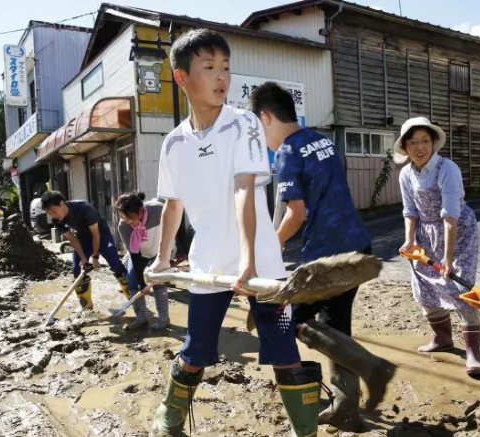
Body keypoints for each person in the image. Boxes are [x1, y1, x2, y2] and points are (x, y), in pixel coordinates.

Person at [145, 29, 322, 437]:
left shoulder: (243, 124)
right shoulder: (173, 144)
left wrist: (249, 261)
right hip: (209, 266)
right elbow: (174, 205)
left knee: (283, 350)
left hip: (262, 266)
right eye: (209, 68)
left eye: (225, 67)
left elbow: (244, 189)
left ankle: (305, 432)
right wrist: (161, 257)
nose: (222, 77)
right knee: (195, 351)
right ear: (182, 77)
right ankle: (169, 420)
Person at [250, 82, 389, 431]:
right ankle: (346, 409)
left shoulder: (286, 152)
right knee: (336, 327)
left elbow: (294, 214)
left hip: (326, 259)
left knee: (287, 319)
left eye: (257, 127)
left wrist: (272, 245)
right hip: (357, 247)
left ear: (266, 117)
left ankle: (372, 367)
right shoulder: (322, 141)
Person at [395, 117, 480, 376]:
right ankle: (442, 339)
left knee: (460, 287)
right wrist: (409, 240)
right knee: (423, 285)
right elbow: (410, 210)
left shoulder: (448, 169)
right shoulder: (406, 174)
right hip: (426, 233)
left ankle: (473, 354)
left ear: (433, 142)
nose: (419, 147)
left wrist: (447, 258)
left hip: (457, 230)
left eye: (424, 141)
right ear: (406, 147)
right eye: (413, 143)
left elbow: (450, 215)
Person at [41, 190, 129, 310]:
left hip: (101, 235)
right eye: (50, 214)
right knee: (77, 270)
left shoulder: (84, 208)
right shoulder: (57, 221)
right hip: (82, 237)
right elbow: (72, 239)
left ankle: (134, 299)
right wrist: (83, 258)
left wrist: (95, 257)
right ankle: (87, 308)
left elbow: (96, 234)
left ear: (62, 203)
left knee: (116, 265)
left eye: (54, 211)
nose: (54, 215)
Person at [115, 192, 174, 331]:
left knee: (159, 281)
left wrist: (176, 249)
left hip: (159, 251)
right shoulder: (124, 226)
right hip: (139, 253)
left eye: (129, 217)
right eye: (123, 217)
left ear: (140, 211)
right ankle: (141, 317)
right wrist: (141, 282)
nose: (127, 221)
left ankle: (164, 318)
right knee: (132, 280)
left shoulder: (159, 210)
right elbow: (134, 256)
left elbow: (175, 223)